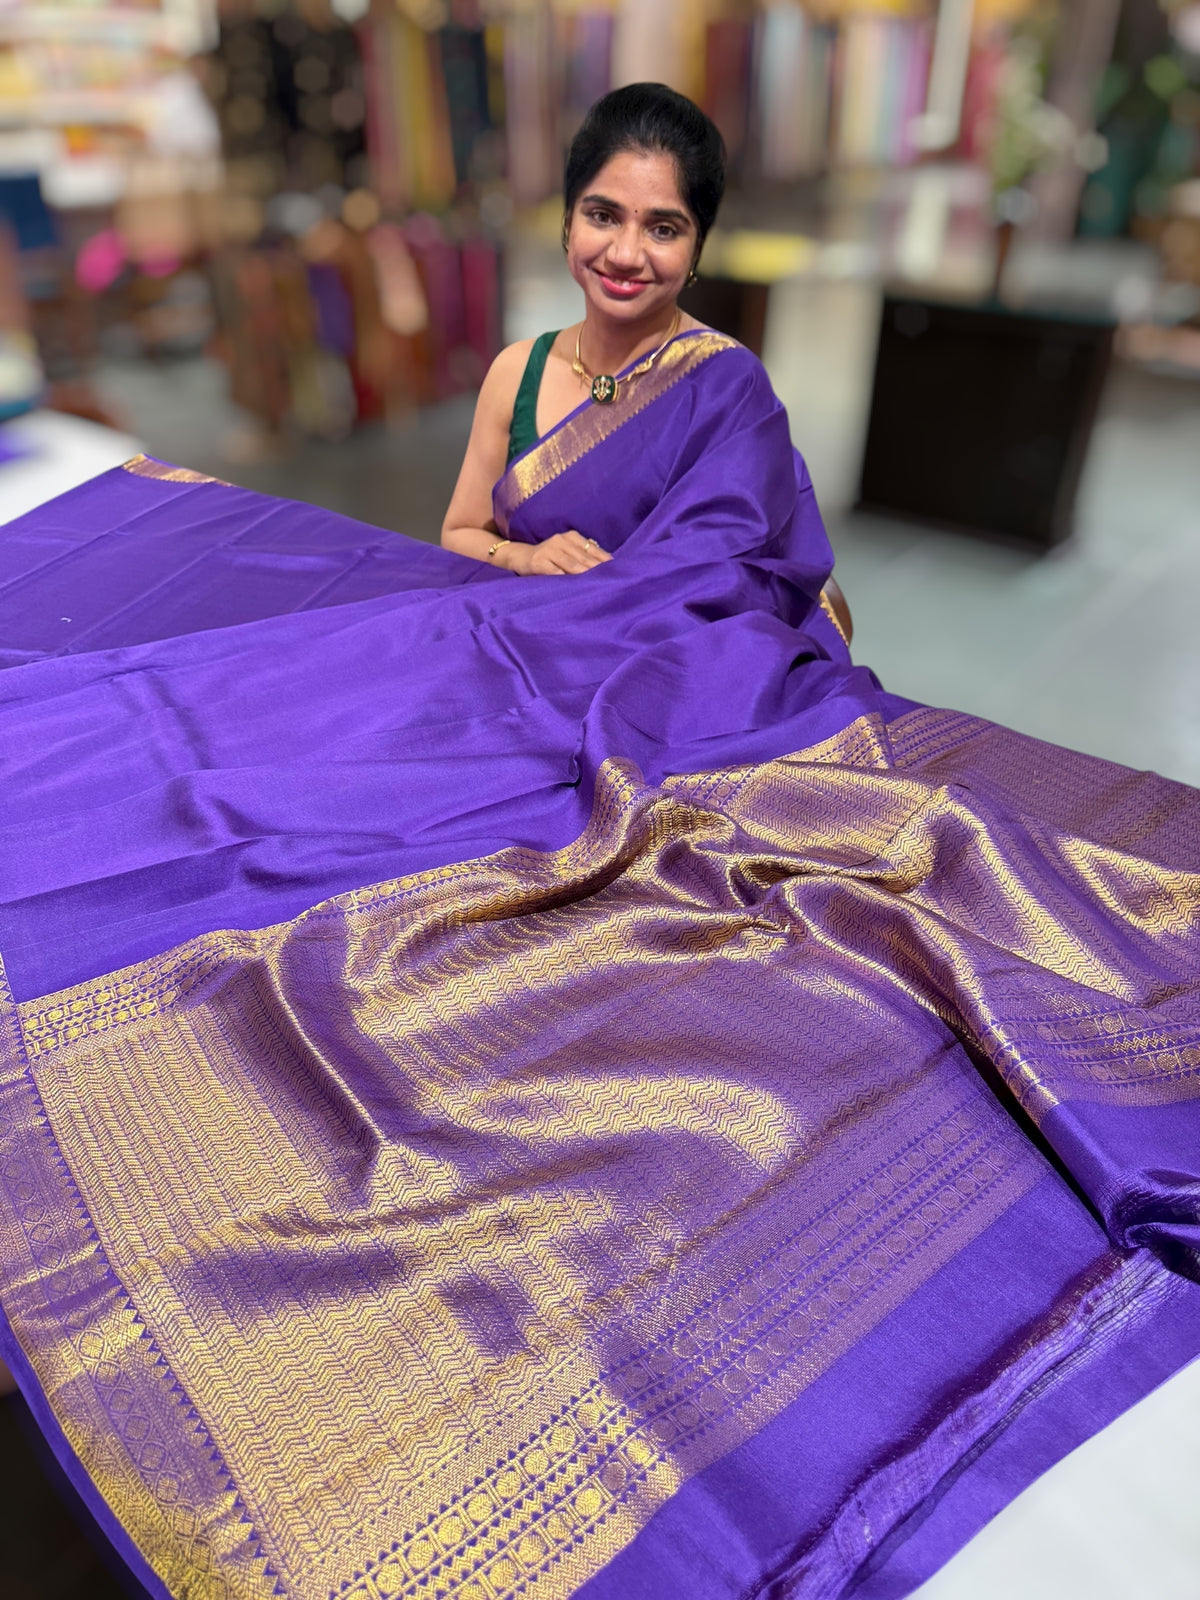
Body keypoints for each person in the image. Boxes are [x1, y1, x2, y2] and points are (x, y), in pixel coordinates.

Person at [0, 85, 1198, 1600]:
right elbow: (453, 546)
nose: (627, 250)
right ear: (567, 215)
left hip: (642, 689)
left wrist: (623, 613)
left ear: (698, 239)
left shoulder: (727, 390)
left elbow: (760, 582)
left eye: (664, 223)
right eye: (604, 214)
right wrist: (534, 557)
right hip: (516, 648)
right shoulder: (516, 371)